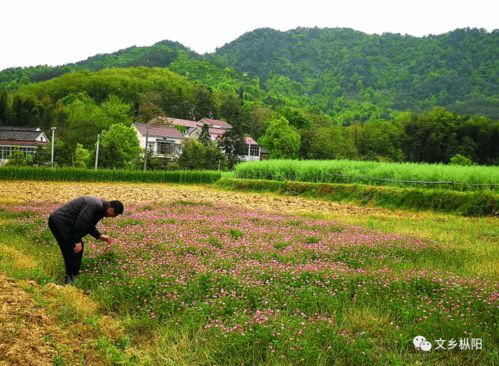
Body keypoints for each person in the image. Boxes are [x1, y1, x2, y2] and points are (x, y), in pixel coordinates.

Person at [48, 196, 124, 284]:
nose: (113, 217)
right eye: (115, 215)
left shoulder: (100, 208)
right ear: (111, 210)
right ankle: (70, 280)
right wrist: (77, 240)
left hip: (63, 223)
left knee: (75, 249)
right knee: (73, 249)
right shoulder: (96, 206)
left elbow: (89, 225)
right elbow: (81, 223)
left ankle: (73, 276)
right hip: (59, 222)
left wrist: (99, 236)